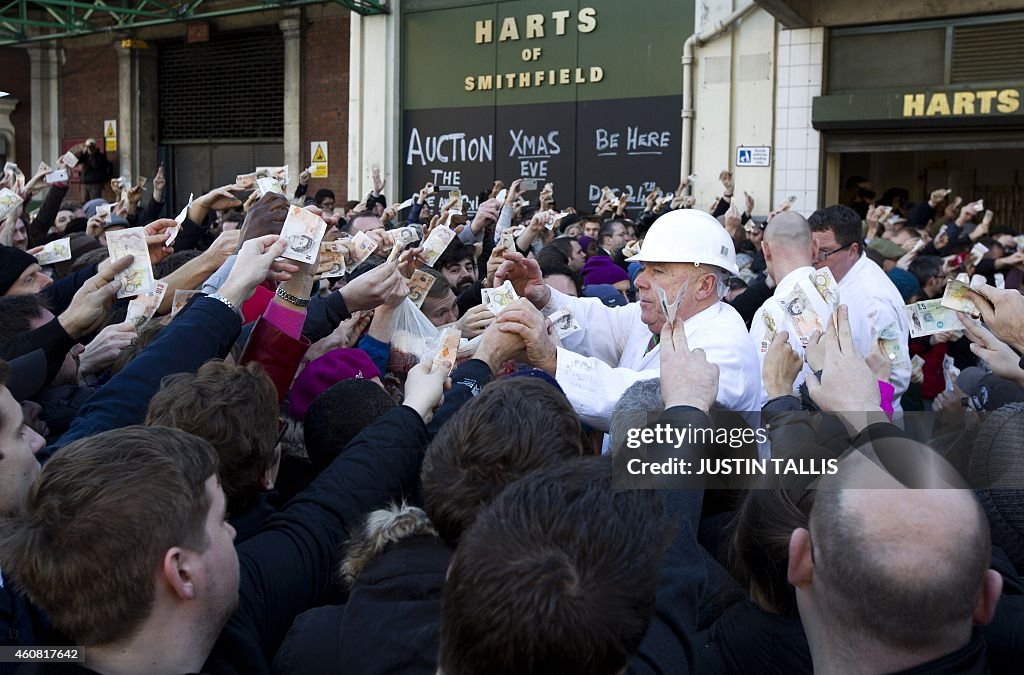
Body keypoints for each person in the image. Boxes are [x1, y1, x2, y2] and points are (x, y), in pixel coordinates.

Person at [494, 208, 761, 431]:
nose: (639, 280)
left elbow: (642, 403)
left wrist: (552, 360)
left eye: (658, 271)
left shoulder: (723, 349)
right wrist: (544, 297)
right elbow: (599, 323)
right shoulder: (658, 316)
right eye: (643, 268)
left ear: (704, 285)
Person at [808, 205, 910, 409]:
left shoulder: (874, 303)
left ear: (853, 251)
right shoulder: (839, 277)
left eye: (824, 253)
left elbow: (897, 375)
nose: (814, 260)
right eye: (811, 251)